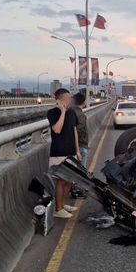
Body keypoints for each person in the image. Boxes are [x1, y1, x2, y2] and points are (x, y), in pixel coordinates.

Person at [47, 88, 81, 219]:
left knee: (69, 180)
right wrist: (62, 112)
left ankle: (63, 204)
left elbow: (75, 132)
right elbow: (57, 129)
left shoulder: (72, 113)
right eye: (66, 99)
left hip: (71, 151)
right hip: (58, 152)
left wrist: (77, 150)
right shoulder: (52, 113)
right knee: (61, 181)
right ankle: (58, 208)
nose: (69, 101)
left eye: (69, 98)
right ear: (59, 100)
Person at [70, 92, 88, 199]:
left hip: (72, 146)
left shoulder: (70, 112)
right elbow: (78, 131)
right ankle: (76, 190)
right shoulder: (80, 115)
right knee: (81, 170)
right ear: (83, 102)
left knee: (73, 168)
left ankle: (73, 188)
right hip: (80, 145)